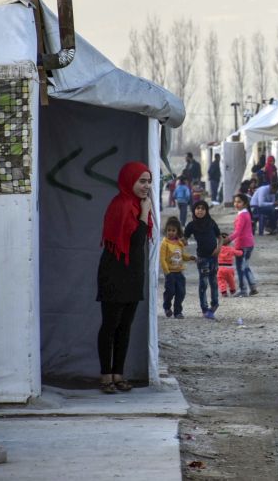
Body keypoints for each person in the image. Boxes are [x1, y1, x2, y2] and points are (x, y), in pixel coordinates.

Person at [96, 161, 153, 394]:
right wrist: (145, 212)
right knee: (110, 325)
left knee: (125, 326)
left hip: (133, 272)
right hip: (114, 272)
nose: (146, 186)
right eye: (142, 181)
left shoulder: (137, 204)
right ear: (129, 180)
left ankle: (119, 373)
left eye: (148, 181)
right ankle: (105, 375)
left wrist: (143, 210)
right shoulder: (121, 205)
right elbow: (136, 239)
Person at [184, 200, 222, 319]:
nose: (200, 210)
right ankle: (205, 309)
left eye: (203, 208)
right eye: (197, 208)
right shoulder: (191, 225)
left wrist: (219, 248)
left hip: (214, 257)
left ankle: (215, 305)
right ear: (194, 211)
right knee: (203, 284)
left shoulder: (211, 222)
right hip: (202, 259)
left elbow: (220, 237)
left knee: (214, 282)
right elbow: (184, 239)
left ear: (206, 211)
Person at [160, 217, 195, 318]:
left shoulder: (179, 243)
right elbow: (162, 259)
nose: (171, 232)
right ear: (166, 231)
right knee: (170, 292)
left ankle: (178, 312)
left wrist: (190, 257)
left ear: (177, 231)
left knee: (181, 293)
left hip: (179, 273)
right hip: (170, 273)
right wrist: (167, 272)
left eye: (173, 230)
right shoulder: (164, 243)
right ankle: (167, 307)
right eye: (169, 230)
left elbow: (182, 256)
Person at [229, 193, 259, 296]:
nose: (236, 204)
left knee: (240, 268)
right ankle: (252, 286)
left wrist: (227, 240)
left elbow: (237, 232)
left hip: (242, 245)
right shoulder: (246, 213)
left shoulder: (242, 215)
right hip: (249, 244)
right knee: (245, 266)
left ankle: (243, 289)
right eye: (235, 202)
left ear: (245, 204)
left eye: (239, 202)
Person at [217, 234, 240, 298]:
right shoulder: (231, 249)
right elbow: (238, 253)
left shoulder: (218, 249)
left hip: (220, 268)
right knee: (231, 280)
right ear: (229, 242)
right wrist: (241, 251)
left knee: (221, 280)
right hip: (229, 268)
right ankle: (232, 290)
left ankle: (224, 292)